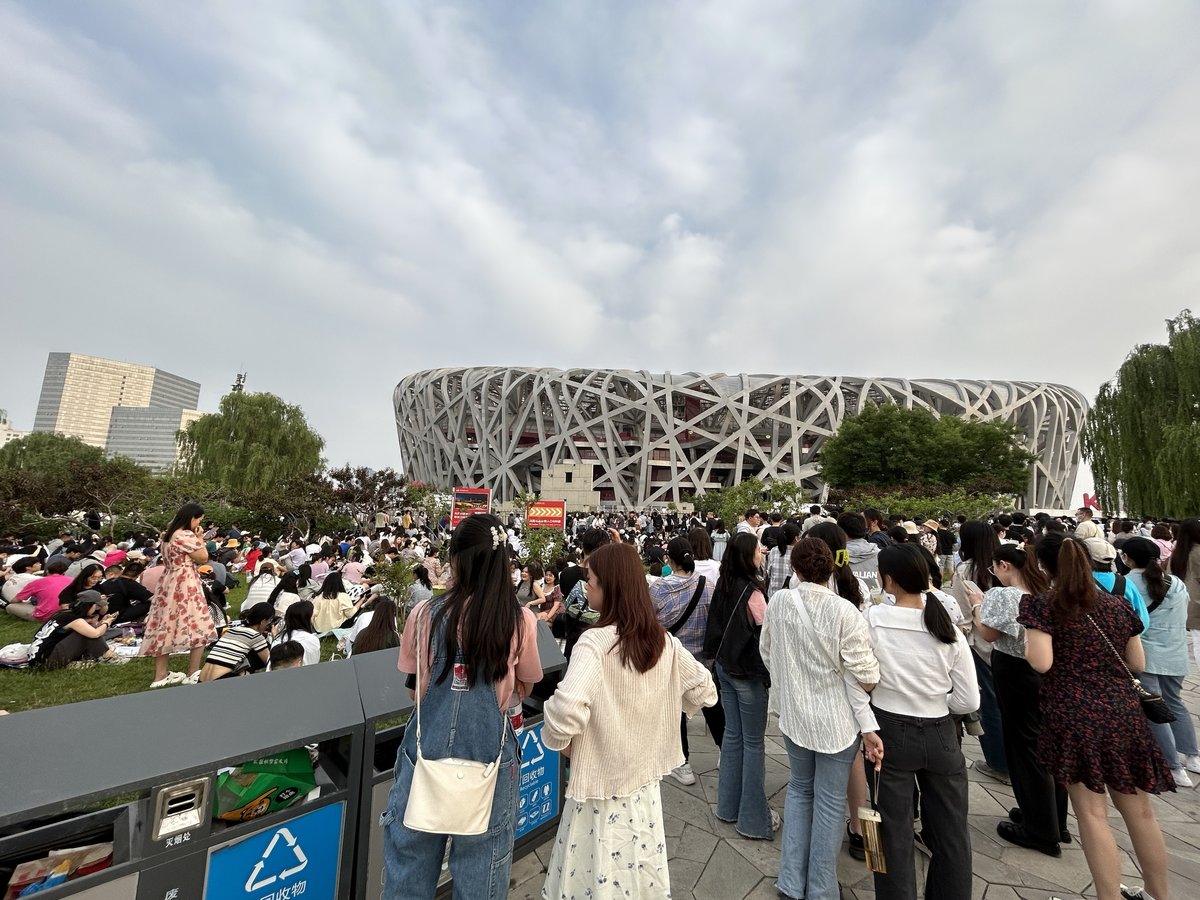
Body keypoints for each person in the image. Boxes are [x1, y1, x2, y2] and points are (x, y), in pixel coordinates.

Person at [540, 542, 717, 900]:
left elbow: (565, 712)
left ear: (611, 585)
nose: (586, 586)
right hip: (644, 785)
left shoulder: (595, 642)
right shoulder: (662, 641)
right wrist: (659, 707)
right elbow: (704, 689)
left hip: (600, 783)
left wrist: (561, 741)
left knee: (595, 872)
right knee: (639, 873)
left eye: (590, 579)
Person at [383, 514, 542, 899]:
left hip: (425, 755)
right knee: (481, 872)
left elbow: (412, 690)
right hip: (489, 758)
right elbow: (526, 681)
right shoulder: (519, 621)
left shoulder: (424, 615)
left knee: (409, 867)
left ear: (456, 561)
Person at [1019, 534, 1172, 900]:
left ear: (1043, 566)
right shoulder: (1117, 605)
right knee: (1140, 811)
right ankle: (1158, 894)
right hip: (1122, 712)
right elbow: (1137, 663)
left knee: (1091, 813)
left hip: (1074, 713)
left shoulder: (1043, 606)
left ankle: (1108, 895)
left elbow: (1042, 662)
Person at [761, 539, 881, 900]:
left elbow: (767, 651)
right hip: (836, 722)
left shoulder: (779, 602)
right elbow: (867, 673)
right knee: (829, 801)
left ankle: (790, 882)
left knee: (799, 791)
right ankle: (822, 888)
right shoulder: (845, 612)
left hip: (794, 715)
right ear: (832, 567)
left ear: (795, 568)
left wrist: (793, 680)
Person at [866, 544, 979, 900]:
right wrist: (936, 702)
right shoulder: (947, 629)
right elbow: (969, 700)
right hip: (942, 734)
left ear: (889, 580)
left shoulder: (874, 620)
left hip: (888, 733)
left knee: (889, 831)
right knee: (951, 834)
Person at [966, 543, 1068, 855]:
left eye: (994, 567)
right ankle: (1053, 819)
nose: (993, 572)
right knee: (1044, 744)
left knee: (1023, 746)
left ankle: (1040, 829)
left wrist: (976, 604)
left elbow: (988, 634)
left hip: (1013, 670)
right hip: (1043, 671)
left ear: (1005, 565)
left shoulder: (1002, 595)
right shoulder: (1045, 591)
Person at [703, 531, 777, 839]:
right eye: (758, 551)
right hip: (747, 671)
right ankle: (753, 819)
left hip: (724, 667)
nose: (761, 554)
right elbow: (766, 633)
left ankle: (727, 806)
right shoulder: (753, 592)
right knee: (753, 743)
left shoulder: (723, 583)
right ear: (748, 556)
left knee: (733, 736)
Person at [1122, 536, 1200, 788]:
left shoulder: (1127, 583)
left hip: (1146, 654)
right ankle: (1192, 756)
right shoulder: (1176, 583)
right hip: (1175, 652)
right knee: (1175, 703)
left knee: (1153, 709)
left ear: (1127, 558)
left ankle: (1172, 766)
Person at [649, 536, 722, 786]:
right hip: (703, 659)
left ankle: (683, 763)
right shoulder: (708, 584)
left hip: (673, 660)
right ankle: (725, 751)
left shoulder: (658, 588)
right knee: (711, 704)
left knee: (676, 709)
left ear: (669, 559)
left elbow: (649, 624)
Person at [950, 520, 1008, 784]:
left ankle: (998, 762)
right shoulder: (1005, 566)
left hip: (981, 644)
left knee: (990, 706)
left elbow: (960, 617)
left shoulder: (966, 571)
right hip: (1012, 646)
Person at [141, 503, 216, 688]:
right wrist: (199, 538)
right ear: (192, 518)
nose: (199, 523)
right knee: (197, 621)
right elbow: (203, 557)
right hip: (185, 581)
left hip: (168, 581)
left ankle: (160, 675)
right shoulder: (185, 535)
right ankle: (193, 671)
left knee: (164, 623)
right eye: (199, 519)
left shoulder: (166, 535)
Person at [29, 594, 124, 669]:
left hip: (38, 658)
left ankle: (74, 662)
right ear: (89, 606)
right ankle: (108, 658)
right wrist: (107, 623)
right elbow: (95, 634)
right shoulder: (75, 620)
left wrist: (103, 622)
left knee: (88, 633)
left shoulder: (64, 613)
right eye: (96, 606)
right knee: (87, 635)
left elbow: (91, 629)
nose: (96, 609)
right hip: (45, 661)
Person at [198, 601, 275, 681]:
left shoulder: (232, 630)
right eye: (269, 621)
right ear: (263, 622)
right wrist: (275, 638)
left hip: (201, 681)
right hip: (221, 681)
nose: (269, 625)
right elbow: (271, 663)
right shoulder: (255, 636)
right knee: (256, 657)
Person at [1168, 517, 1200, 670]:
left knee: (1198, 642)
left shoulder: (1177, 554)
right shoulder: (1197, 552)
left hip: (1186, 603)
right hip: (1197, 603)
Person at [6, 557, 73, 622]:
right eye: (37, 563)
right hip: (69, 613)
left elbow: (15, 600)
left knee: (10, 606)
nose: (40, 564)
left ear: (47, 571)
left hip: (46, 616)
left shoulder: (37, 581)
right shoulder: (72, 580)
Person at [270, 600, 321, 666]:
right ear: (306, 618)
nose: (314, 616)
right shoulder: (312, 640)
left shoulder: (277, 641)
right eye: (312, 615)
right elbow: (314, 663)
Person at [766, 523, 802, 595]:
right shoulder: (799, 553)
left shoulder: (774, 550)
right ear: (796, 538)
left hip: (773, 595)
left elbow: (769, 573)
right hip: (792, 596)